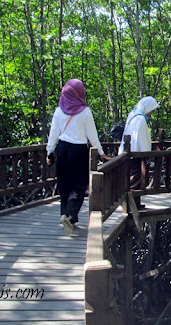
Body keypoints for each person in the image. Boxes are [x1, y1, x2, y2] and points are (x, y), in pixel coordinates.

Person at [46, 79, 110, 234]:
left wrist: (49, 152)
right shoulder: (85, 112)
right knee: (79, 185)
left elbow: (53, 134)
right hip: (79, 151)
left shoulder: (59, 111)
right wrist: (101, 153)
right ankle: (70, 214)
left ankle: (65, 215)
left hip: (62, 149)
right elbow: (92, 136)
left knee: (64, 185)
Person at [119, 96, 160, 209]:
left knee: (134, 179)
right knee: (136, 180)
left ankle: (135, 203)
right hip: (136, 153)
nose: (152, 112)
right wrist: (147, 154)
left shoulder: (133, 115)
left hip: (130, 152)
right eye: (152, 109)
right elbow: (141, 138)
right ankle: (132, 204)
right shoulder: (140, 119)